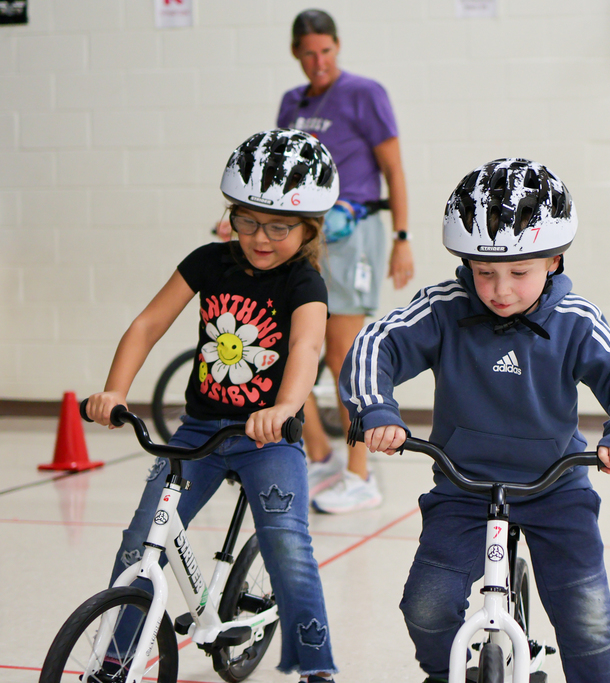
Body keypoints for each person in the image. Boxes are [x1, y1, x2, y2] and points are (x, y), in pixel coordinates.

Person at [339, 158, 610, 683]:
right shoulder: (445, 308)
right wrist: (376, 408)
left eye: (519, 273)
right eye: (484, 272)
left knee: (588, 619)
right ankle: (446, 672)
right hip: (464, 484)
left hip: (555, 487)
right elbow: (377, 345)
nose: (500, 290)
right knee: (425, 606)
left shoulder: (573, 319)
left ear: (553, 261)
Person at [84, 129, 339, 682]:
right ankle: (114, 660)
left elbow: (305, 346)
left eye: (279, 226)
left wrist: (287, 406)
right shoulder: (208, 262)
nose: (260, 237)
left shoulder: (305, 281)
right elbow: (148, 324)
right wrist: (115, 390)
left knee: (288, 548)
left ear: (309, 230)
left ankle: (317, 669)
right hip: (198, 430)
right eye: (247, 220)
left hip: (267, 437)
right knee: (139, 542)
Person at [277, 8, 414, 514]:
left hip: (354, 233)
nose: (319, 62)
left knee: (344, 354)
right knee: (292, 348)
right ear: (296, 52)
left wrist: (402, 237)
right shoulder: (292, 103)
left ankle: (361, 474)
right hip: (304, 235)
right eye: (309, 53)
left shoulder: (364, 93)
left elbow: (394, 169)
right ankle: (320, 456)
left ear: (338, 48)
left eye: (327, 51)